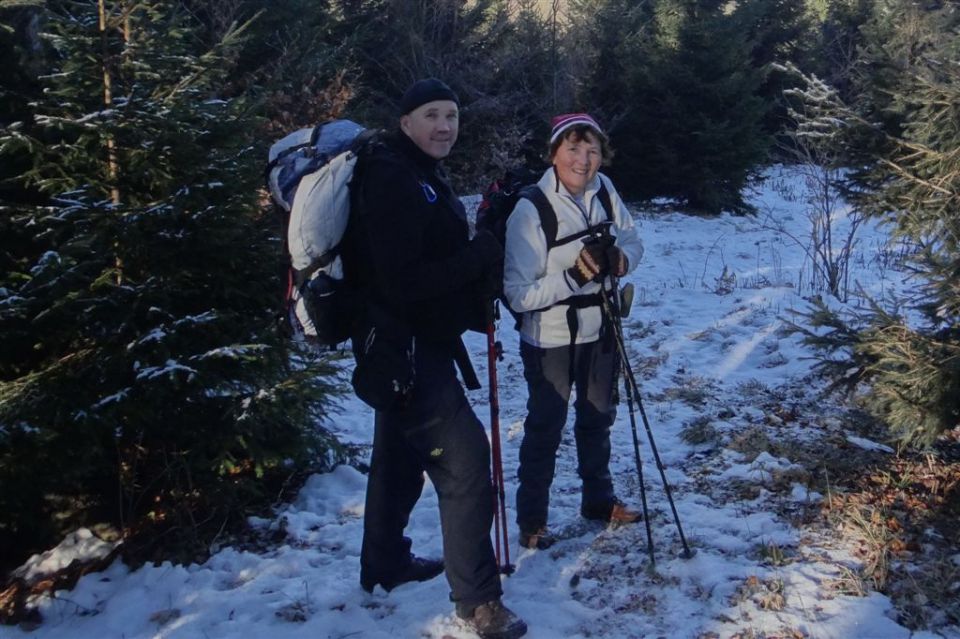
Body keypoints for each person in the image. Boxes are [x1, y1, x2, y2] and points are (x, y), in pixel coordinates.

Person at [345, 78, 527, 639]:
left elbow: (429, 257)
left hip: (408, 345)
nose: (445, 126)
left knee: (399, 458)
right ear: (405, 122)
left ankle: (384, 563)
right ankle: (478, 603)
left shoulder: (417, 171)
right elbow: (402, 281)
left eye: (451, 114)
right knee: (465, 464)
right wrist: (480, 252)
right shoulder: (392, 176)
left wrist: (482, 236)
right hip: (403, 349)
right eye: (431, 115)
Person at [503, 113, 645, 550]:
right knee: (546, 425)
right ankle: (532, 522)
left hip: (602, 328)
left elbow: (634, 241)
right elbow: (517, 293)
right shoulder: (531, 209)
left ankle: (598, 502)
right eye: (573, 149)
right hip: (549, 337)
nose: (583, 161)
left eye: (592, 150)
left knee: (598, 417)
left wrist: (621, 260)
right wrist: (573, 277)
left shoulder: (605, 191)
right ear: (553, 153)